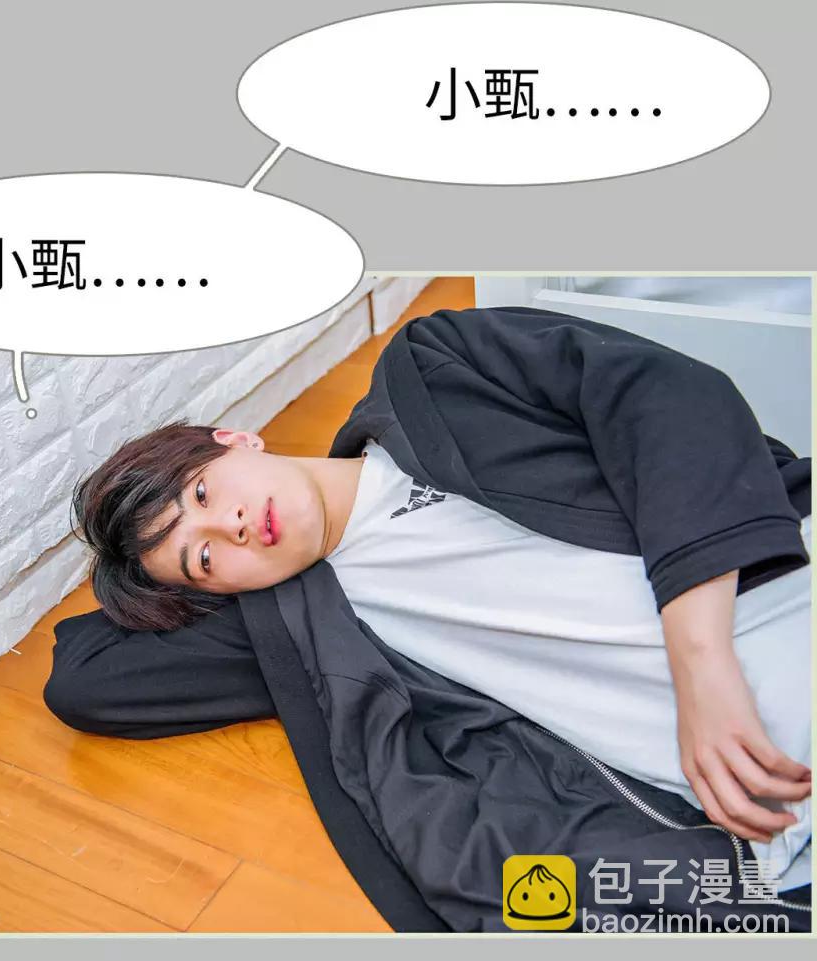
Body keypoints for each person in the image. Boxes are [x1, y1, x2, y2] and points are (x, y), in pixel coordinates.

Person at [70, 306, 812, 896]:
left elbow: (666, 394)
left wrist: (701, 662)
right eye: (203, 558)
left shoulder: (432, 369)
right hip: (778, 816)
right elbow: (85, 681)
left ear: (236, 438)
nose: (229, 526)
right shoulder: (319, 622)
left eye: (204, 493)